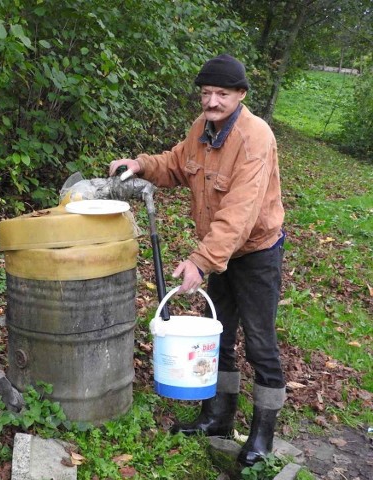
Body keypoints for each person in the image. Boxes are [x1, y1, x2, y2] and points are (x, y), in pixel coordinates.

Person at [109, 54, 286, 467]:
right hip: (222, 252)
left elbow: (241, 212)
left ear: (241, 95)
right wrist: (141, 165)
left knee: (260, 344)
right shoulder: (202, 129)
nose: (212, 101)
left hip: (257, 252)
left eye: (222, 94)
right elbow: (176, 163)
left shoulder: (254, 137)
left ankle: (263, 434)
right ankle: (219, 417)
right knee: (220, 335)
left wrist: (201, 261)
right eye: (206, 93)